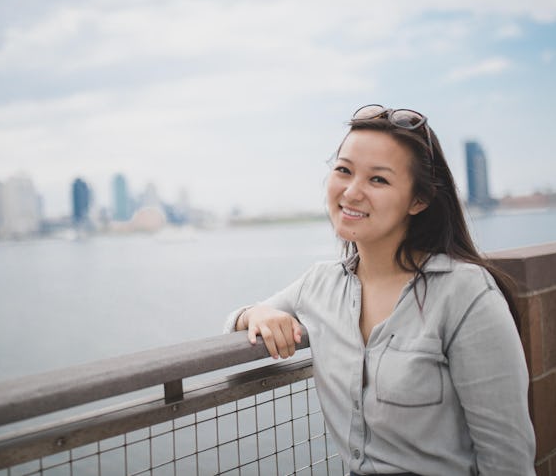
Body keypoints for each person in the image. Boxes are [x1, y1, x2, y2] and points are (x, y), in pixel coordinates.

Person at [224, 105, 536, 476]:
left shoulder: (464, 293)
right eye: (343, 170)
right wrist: (255, 313)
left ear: (418, 200)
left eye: (379, 180)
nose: (352, 192)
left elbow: (508, 460)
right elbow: (237, 321)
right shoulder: (319, 285)